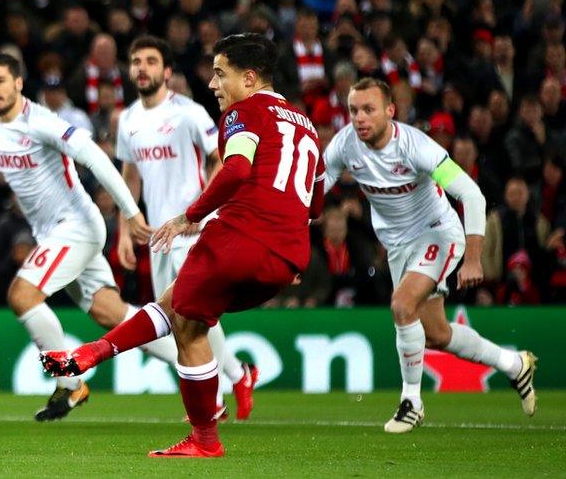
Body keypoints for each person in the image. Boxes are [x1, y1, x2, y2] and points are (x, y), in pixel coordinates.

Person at [42, 33, 325, 457]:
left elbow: (235, 171)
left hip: (237, 237)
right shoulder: (305, 126)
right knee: (178, 310)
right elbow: (315, 203)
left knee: (189, 332)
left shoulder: (243, 112)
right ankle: (90, 354)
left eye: (219, 74)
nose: (213, 84)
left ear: (248, 79)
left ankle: (203, 440)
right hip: (287, 255)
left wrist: (188, 217)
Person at [0, 53, 176, 422]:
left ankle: (71, 384)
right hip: (52, 233)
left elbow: (97, 160)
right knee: (111, 314)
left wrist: (131, 213)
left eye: (0, 81)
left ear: (18, 83)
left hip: (77, 226)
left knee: (22, 295)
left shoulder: (43, 123)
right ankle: (193, 361)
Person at [320, 77, 537, 434]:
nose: (359, 118)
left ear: (390, 111)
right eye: (354, 110)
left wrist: (473, 258)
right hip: (397, 246)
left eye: (369, 110)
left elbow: (472, 195)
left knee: (402, 306)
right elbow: (314, 189)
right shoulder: (345, 145)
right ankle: (515, 364)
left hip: (437, 232)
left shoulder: (416, 147)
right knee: (435, 333)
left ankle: (412, 402)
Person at [115, 35, 256, 421]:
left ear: (167, 71)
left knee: (192, 314)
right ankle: (236, 377)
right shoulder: (127, 120)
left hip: (195, 230)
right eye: (136, 61)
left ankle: (214, 400)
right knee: (181, 321)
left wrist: (198, 212)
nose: (142, 68)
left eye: (150, 61)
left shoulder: (188, 113)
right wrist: (126, 230)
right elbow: (130, 177)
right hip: (160, 236)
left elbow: (221, 159)